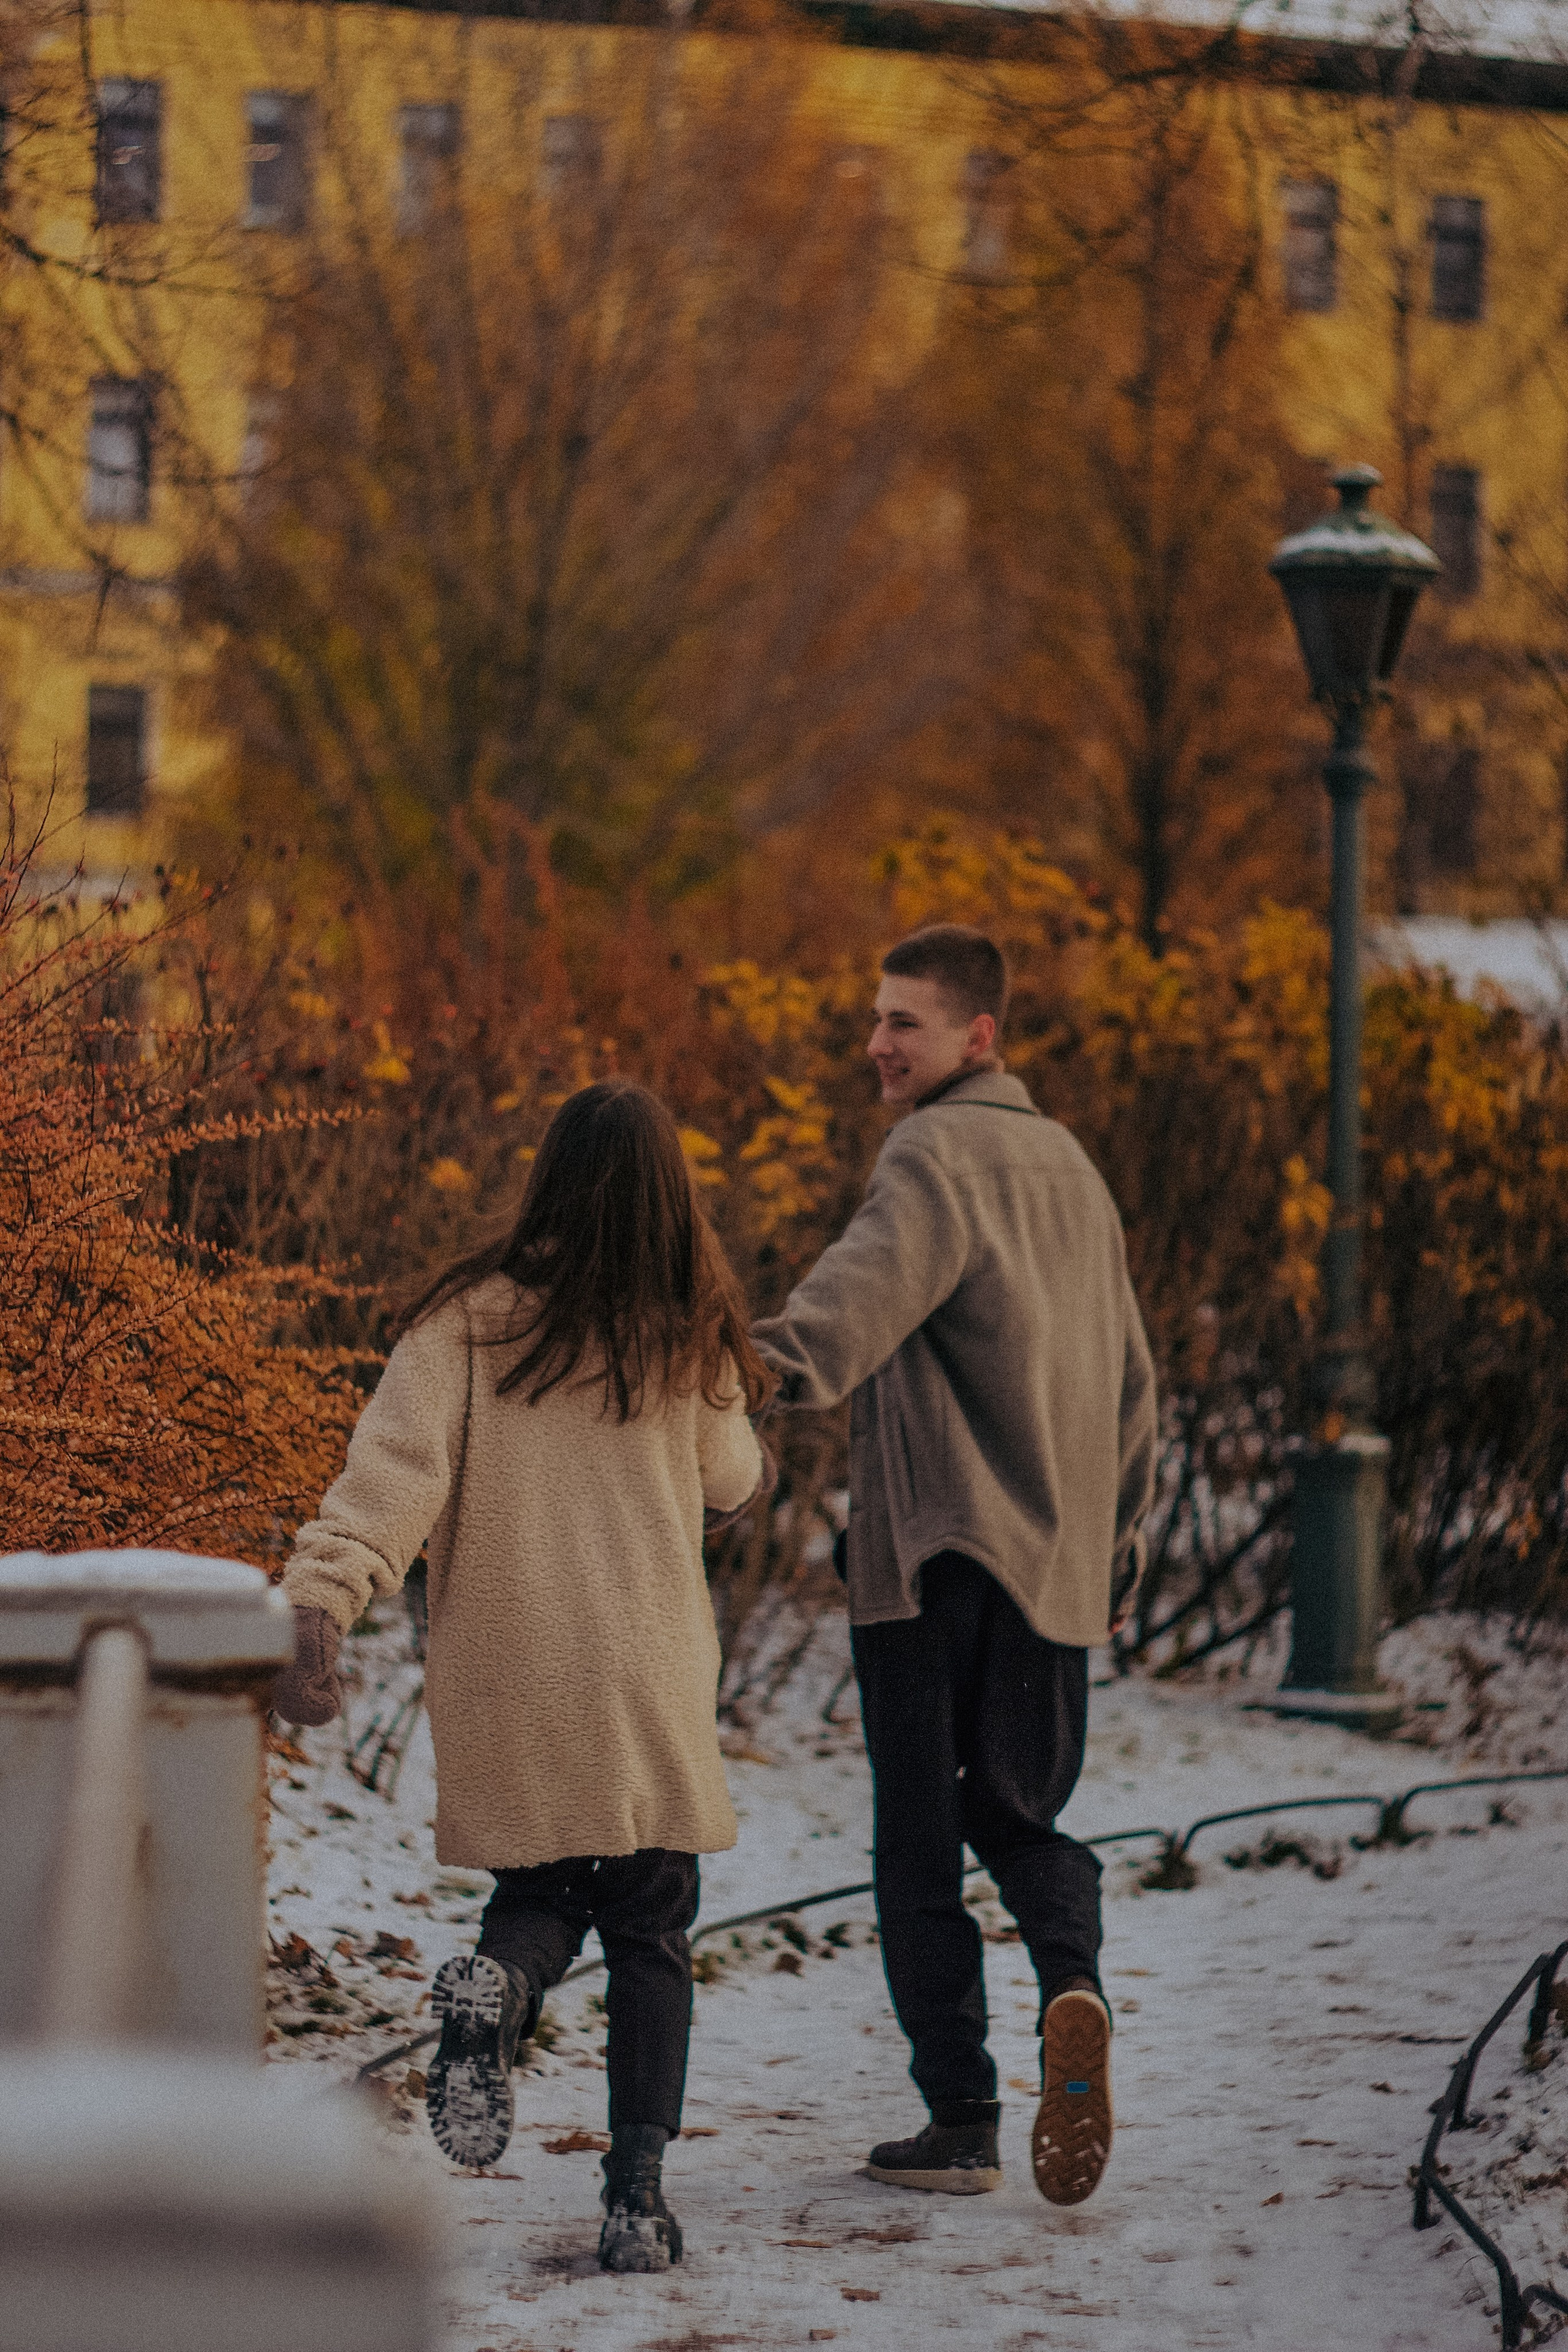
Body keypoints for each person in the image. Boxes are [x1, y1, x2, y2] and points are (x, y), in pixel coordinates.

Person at [271, 1079, 772, 2274]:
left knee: (540, 1895)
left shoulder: (463, 1322)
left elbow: (387, 1482)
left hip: (510, 1667)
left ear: (545, 1179)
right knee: (650, 1929)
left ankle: (492, 1988)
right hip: (643, 1671)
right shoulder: (681, 1332)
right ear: (670, 1199)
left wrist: (321, 1602)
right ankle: (635, 2198)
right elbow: (732, 1480)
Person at [753, 923, 1156, 2209]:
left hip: (932, 1558)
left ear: (976, 1036)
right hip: (1052, 1564)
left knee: (918, 1841)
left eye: (903, 1024)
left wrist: (725, 1374)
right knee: (1019, 1814)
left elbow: (849, 1306)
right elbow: (1135, 1385)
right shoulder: (1070, 1169)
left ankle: (962, 2115)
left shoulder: (932, 1150)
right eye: (874, 1020)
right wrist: (1116, 1546)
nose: (877, 1044)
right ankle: (1070, 1982)